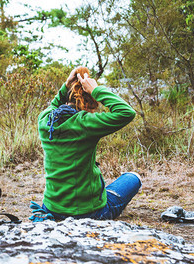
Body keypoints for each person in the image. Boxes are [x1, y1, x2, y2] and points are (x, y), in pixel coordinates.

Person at [33, 66, 141, 221]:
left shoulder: (45, 119)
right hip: (88, 213)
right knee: (133, 178)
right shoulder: (85, 123)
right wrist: (96, 90)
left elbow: (54, 104)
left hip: (51, 208)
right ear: (90, 103)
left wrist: (66, 85)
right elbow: (126, 112)